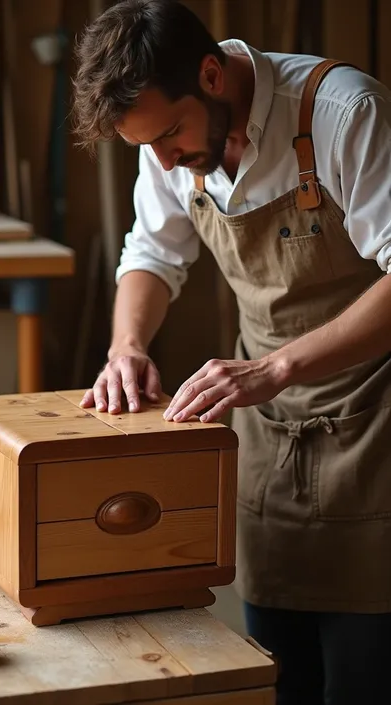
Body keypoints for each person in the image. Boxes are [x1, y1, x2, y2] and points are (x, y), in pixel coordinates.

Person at [71, 1, 391, 703]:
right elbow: (153, 251)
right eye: (145, 147)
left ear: (212, 74)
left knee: (365, 674)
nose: (164, 160)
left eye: (170, 137)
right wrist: (127, 345)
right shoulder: (171, 143)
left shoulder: (344, 112)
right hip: (271, 434)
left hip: (377, 422)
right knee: (279, 672)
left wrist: (276, 367)